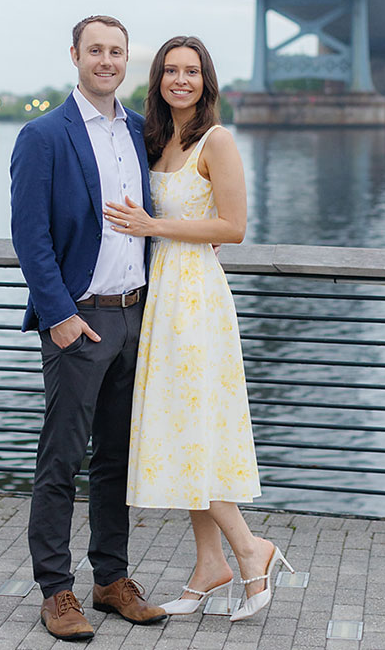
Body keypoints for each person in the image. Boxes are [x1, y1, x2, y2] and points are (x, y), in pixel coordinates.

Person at [103, 35, 291, 623]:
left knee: (193, 426)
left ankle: (249, 548)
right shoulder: (154, 140)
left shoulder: (218, 140)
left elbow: (232, 227)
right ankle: (209, 565)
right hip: (161, 294)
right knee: (184, 423)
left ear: (207, 80)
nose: (180, 79)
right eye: (169, 70)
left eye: (191, 71)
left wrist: (150, 223)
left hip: (196, 299)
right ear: (157, 79)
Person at [10, 15, 166, 642]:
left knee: (117, 460)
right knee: (63, 458)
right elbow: (30, 236)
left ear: (128, 60)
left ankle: (111, 579)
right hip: (81, 319)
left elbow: (159, 214)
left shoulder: (138, 131)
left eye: (117, 52)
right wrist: (61, 317)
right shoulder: (45, 135)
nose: (107, 60)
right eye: (96, 50)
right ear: (75, 55)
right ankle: (56, 590)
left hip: (137, 314)